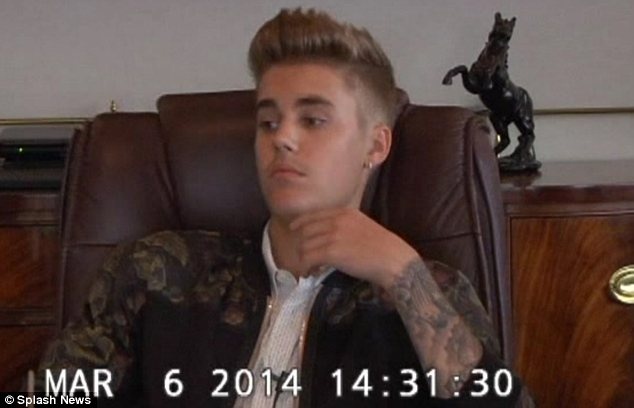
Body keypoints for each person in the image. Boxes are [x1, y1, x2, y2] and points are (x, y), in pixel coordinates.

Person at [35, 8, 532, 407]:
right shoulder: (155, 272)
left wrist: (404, 276)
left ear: (376, 146)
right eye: (268, 123)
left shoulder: (424, 290)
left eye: (313, 120)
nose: (283, 139)